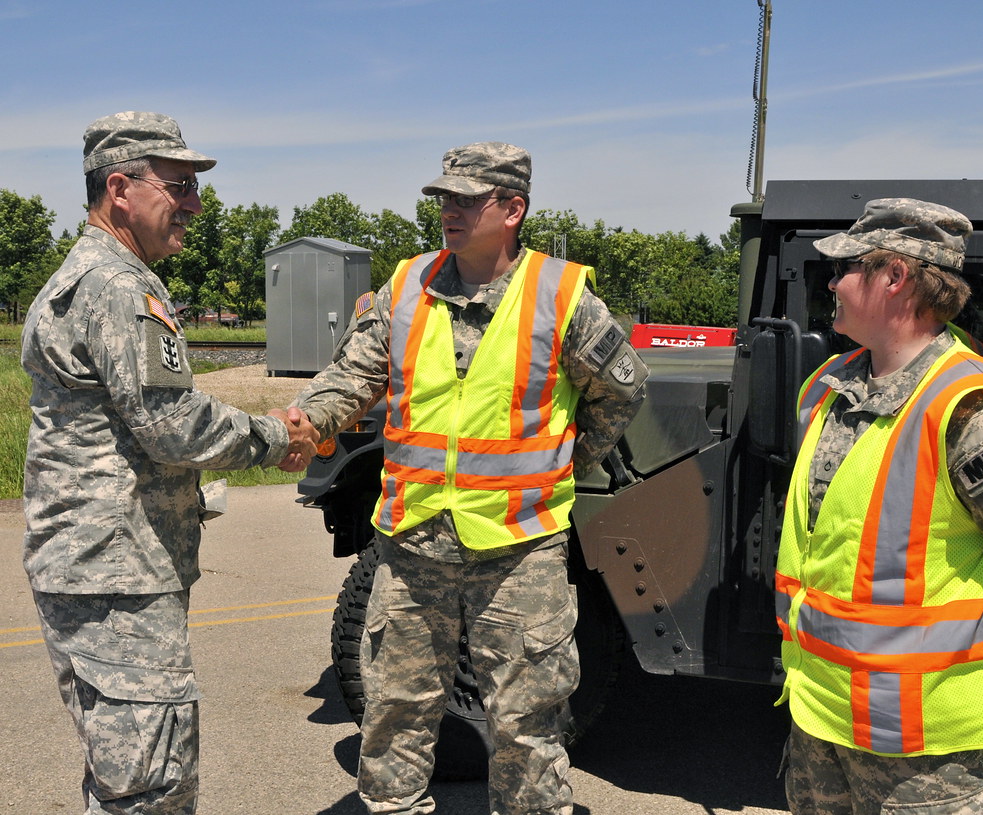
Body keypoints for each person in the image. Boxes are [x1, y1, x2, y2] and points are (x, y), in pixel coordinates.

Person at [294, 141, 649, 814]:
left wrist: (564, 464)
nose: (448, 210)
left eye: (466, 199)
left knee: (527, 727)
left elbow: (620, 391)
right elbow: (350, 380)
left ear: (513, 209)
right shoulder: (406, 286)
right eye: (443, 198)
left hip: (518, 552)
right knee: (394, 713)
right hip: (413, 543)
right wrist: (306, 421)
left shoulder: (561, 294)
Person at [21, 110, 319, 814]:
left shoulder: (94, 276)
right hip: (115, 578)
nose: (194, 203)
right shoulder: (118, 288)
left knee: (126, 778)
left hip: (101, 569)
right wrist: (276, 434)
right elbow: (173, 425)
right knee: (150, 787)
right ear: (120, 188)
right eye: (179, 186)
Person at [775, 198, 983, 814]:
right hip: (820, 719)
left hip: (931, 754)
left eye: (847, 268)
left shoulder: (982, 415)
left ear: (896, 277)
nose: (831, 283)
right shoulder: (829, 388)